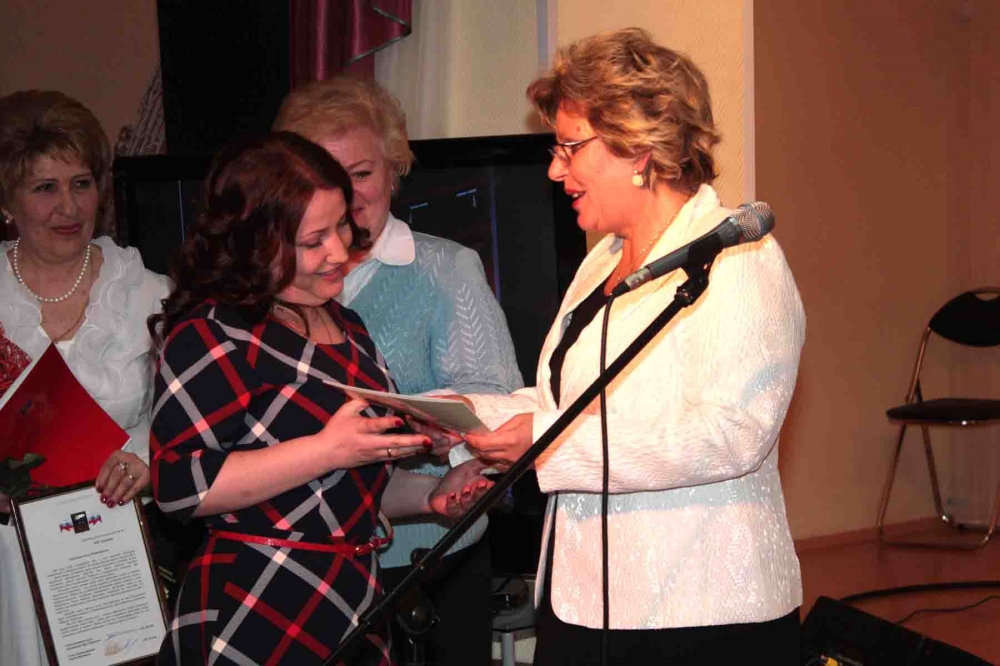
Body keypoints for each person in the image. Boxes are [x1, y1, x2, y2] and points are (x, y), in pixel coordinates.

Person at [459, 28, 806, 665]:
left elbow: (733, 433)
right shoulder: (601, 262)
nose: (555, 169)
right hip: (582, 601)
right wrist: (463, 416)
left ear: (638, 147)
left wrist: (545, 441)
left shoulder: (740, 259)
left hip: (702, 617)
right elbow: (570, 403)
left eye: (570, 147)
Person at [149, 131, 493, 666]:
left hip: (353, 603)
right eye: (315, 241)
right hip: (253, 609)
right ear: (257, 245)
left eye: (342, 226)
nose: (339, 250)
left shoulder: (348, 326)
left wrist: (429, 495)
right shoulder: (215, 332)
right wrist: (327, 449)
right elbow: (177, 486)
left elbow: (343, 489)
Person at [273, 77, 523, 664]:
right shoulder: (271, 284)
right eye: (324, 177)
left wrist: (435, 438)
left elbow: (498, 404)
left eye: (361, 173)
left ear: (393, 171)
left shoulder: (445, 268)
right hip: (306, 564)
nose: (346, 194)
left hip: (428, 562)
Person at [0, 90, 170, 666]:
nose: (69, 207)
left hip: (113, 550)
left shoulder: (151, 294)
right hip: (7, 558)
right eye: (44, 188)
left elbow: (187, 419)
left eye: (82, 183)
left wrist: (147, 457)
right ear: (7, 200)